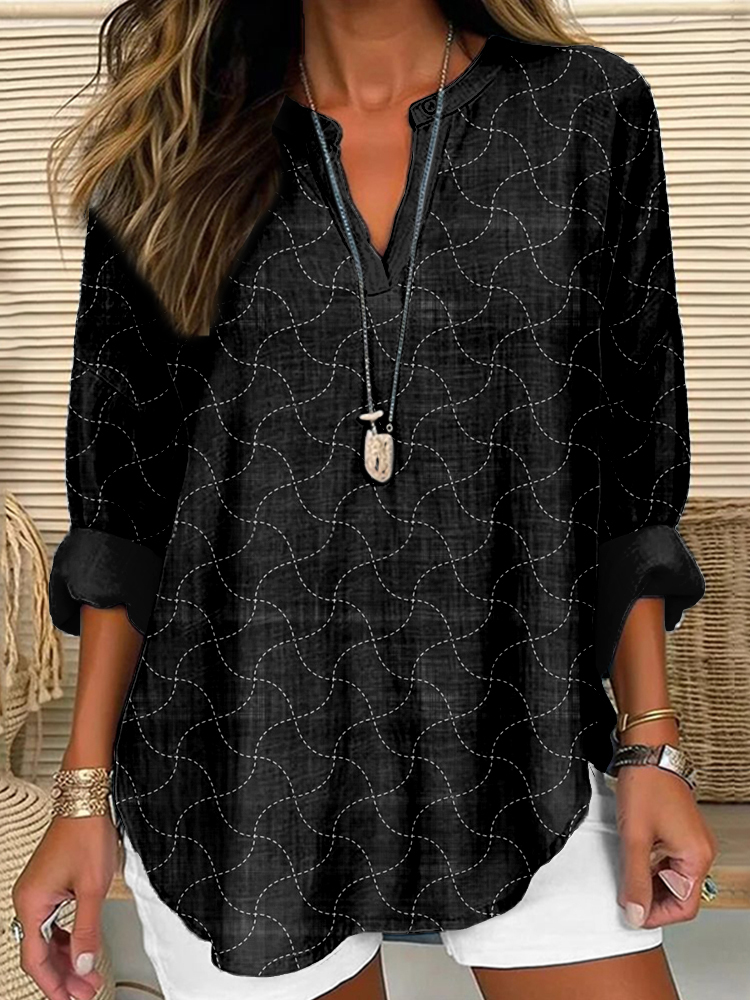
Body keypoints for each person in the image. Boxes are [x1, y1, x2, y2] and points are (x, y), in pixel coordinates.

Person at [11, 1, 718, 998]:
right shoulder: (169, 138)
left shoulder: (585, 111)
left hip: (525, 734)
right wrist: (82, 796)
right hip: (240, 754)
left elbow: (626, 460)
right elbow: (127, 510)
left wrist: (651, 743)